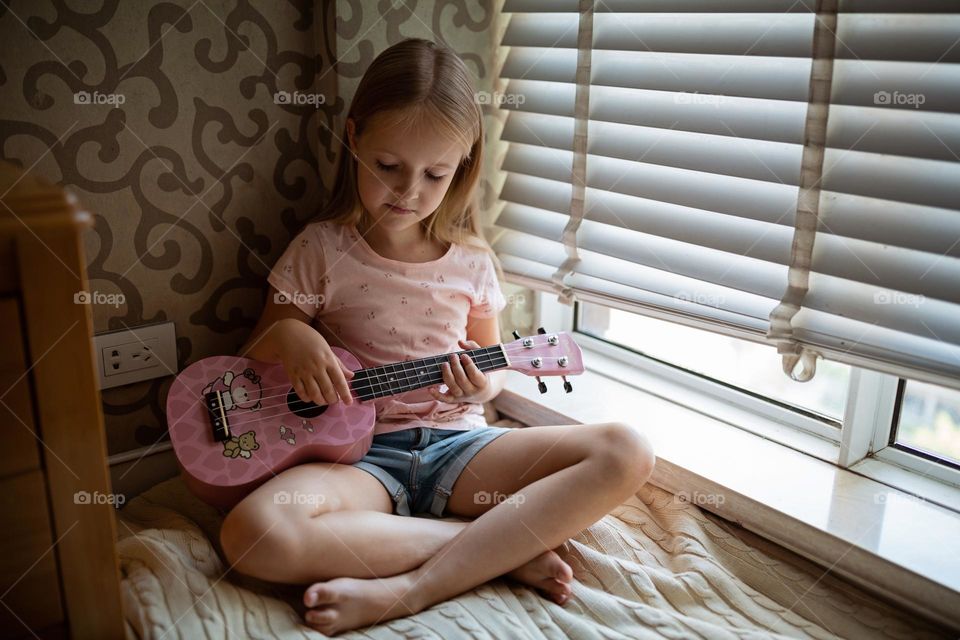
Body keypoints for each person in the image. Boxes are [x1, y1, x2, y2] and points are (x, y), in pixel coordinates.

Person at [218, 37, 655, 635]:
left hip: (460, 450)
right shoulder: (321, 248)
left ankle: (409, 589)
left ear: (462, 167)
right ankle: (489, 544)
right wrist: (292, 337)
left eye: (435, 174)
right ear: (354, 139)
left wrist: (483, 386)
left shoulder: (472, 263)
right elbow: (250, 358)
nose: (408, 192)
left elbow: (495, 366)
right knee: (254, 534)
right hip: (358, 461)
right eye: (389, 166)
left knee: (626, 450)